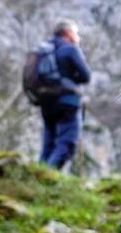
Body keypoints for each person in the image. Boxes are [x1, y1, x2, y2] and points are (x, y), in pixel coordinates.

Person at [39, 19, 92, 170]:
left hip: (46, 102)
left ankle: (37, 175)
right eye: (76, 33)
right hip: (68, 102)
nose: (78, 38)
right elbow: (86, 76)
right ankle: (47, 178)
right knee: (67, 143)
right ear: (68, 33)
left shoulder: (45, 51)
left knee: (48, 144)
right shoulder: (70, 49)